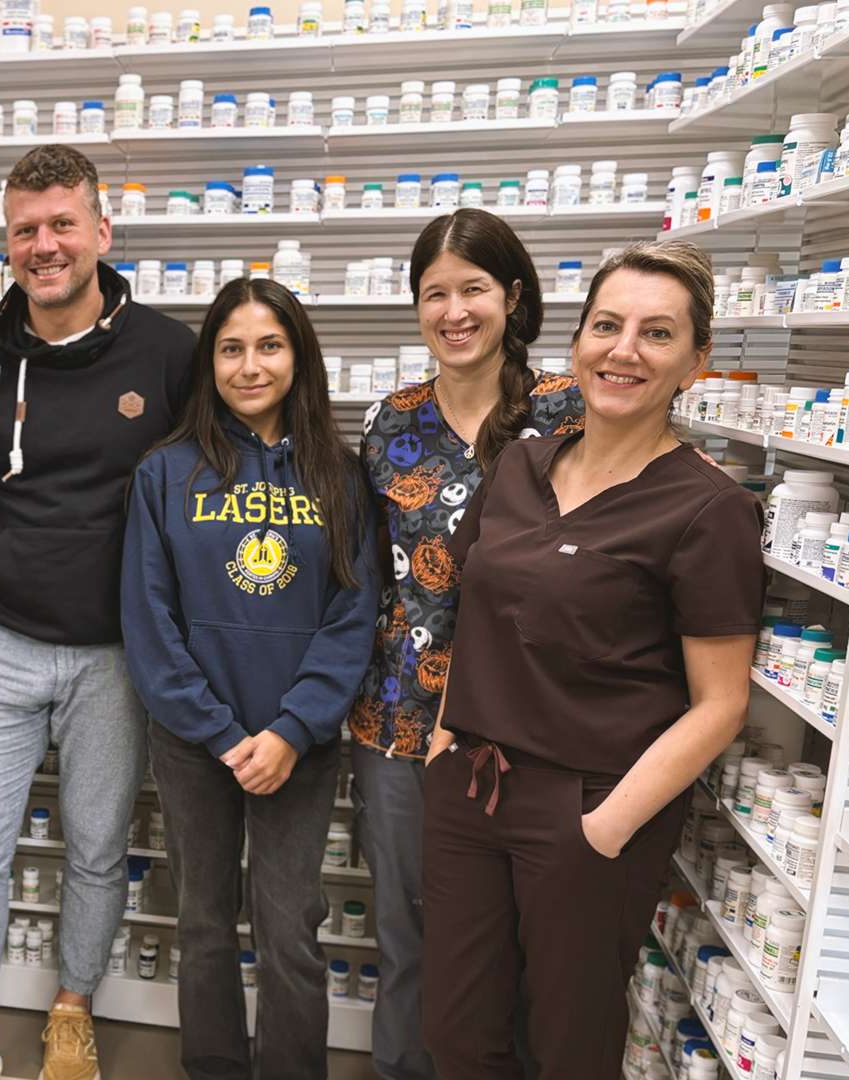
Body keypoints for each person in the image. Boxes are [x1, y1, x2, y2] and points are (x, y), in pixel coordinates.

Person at [421, 240, 761, 1079]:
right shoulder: (520, 464)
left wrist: (603, 828)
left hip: (590, 807)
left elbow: (721, 702)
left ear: (696, 361)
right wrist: (443, 737)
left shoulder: (707, 508)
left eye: (657, 333)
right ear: (577, 343)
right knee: (457, 1036)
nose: (624, 350)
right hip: (472, 786)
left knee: (568, 1046)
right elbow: (472, 611)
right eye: (607, 326)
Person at [0, 144, 194, 1080]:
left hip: (116, 653)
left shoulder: (170, 353)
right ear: (8, 242)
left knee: (98, 848)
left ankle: (72, 1013)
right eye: (25, 229)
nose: (44, 245)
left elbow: (201, 497)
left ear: (101, 231)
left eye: (62, 225)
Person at [346, 207, 583, 1080]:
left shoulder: (568, 409)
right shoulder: (390, 420)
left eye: (473, 289)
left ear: (512, 296)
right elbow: (368, 570)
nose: (454, 312)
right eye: (434, 293)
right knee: (408, 936)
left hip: (526, 727)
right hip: (400, 719)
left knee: (516, 947)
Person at [121, 278, 378, 1080]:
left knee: (290, 927)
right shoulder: (165, 474)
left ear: (299, 357)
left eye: (270, 346)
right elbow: (149, 619)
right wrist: (220, 732)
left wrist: (292, 730)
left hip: (298, 745)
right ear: (210, 362)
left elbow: (353, 615)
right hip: (195, 742)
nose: (250, 366)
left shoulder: (340, 476)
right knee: (202, 921)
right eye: (231, 348)